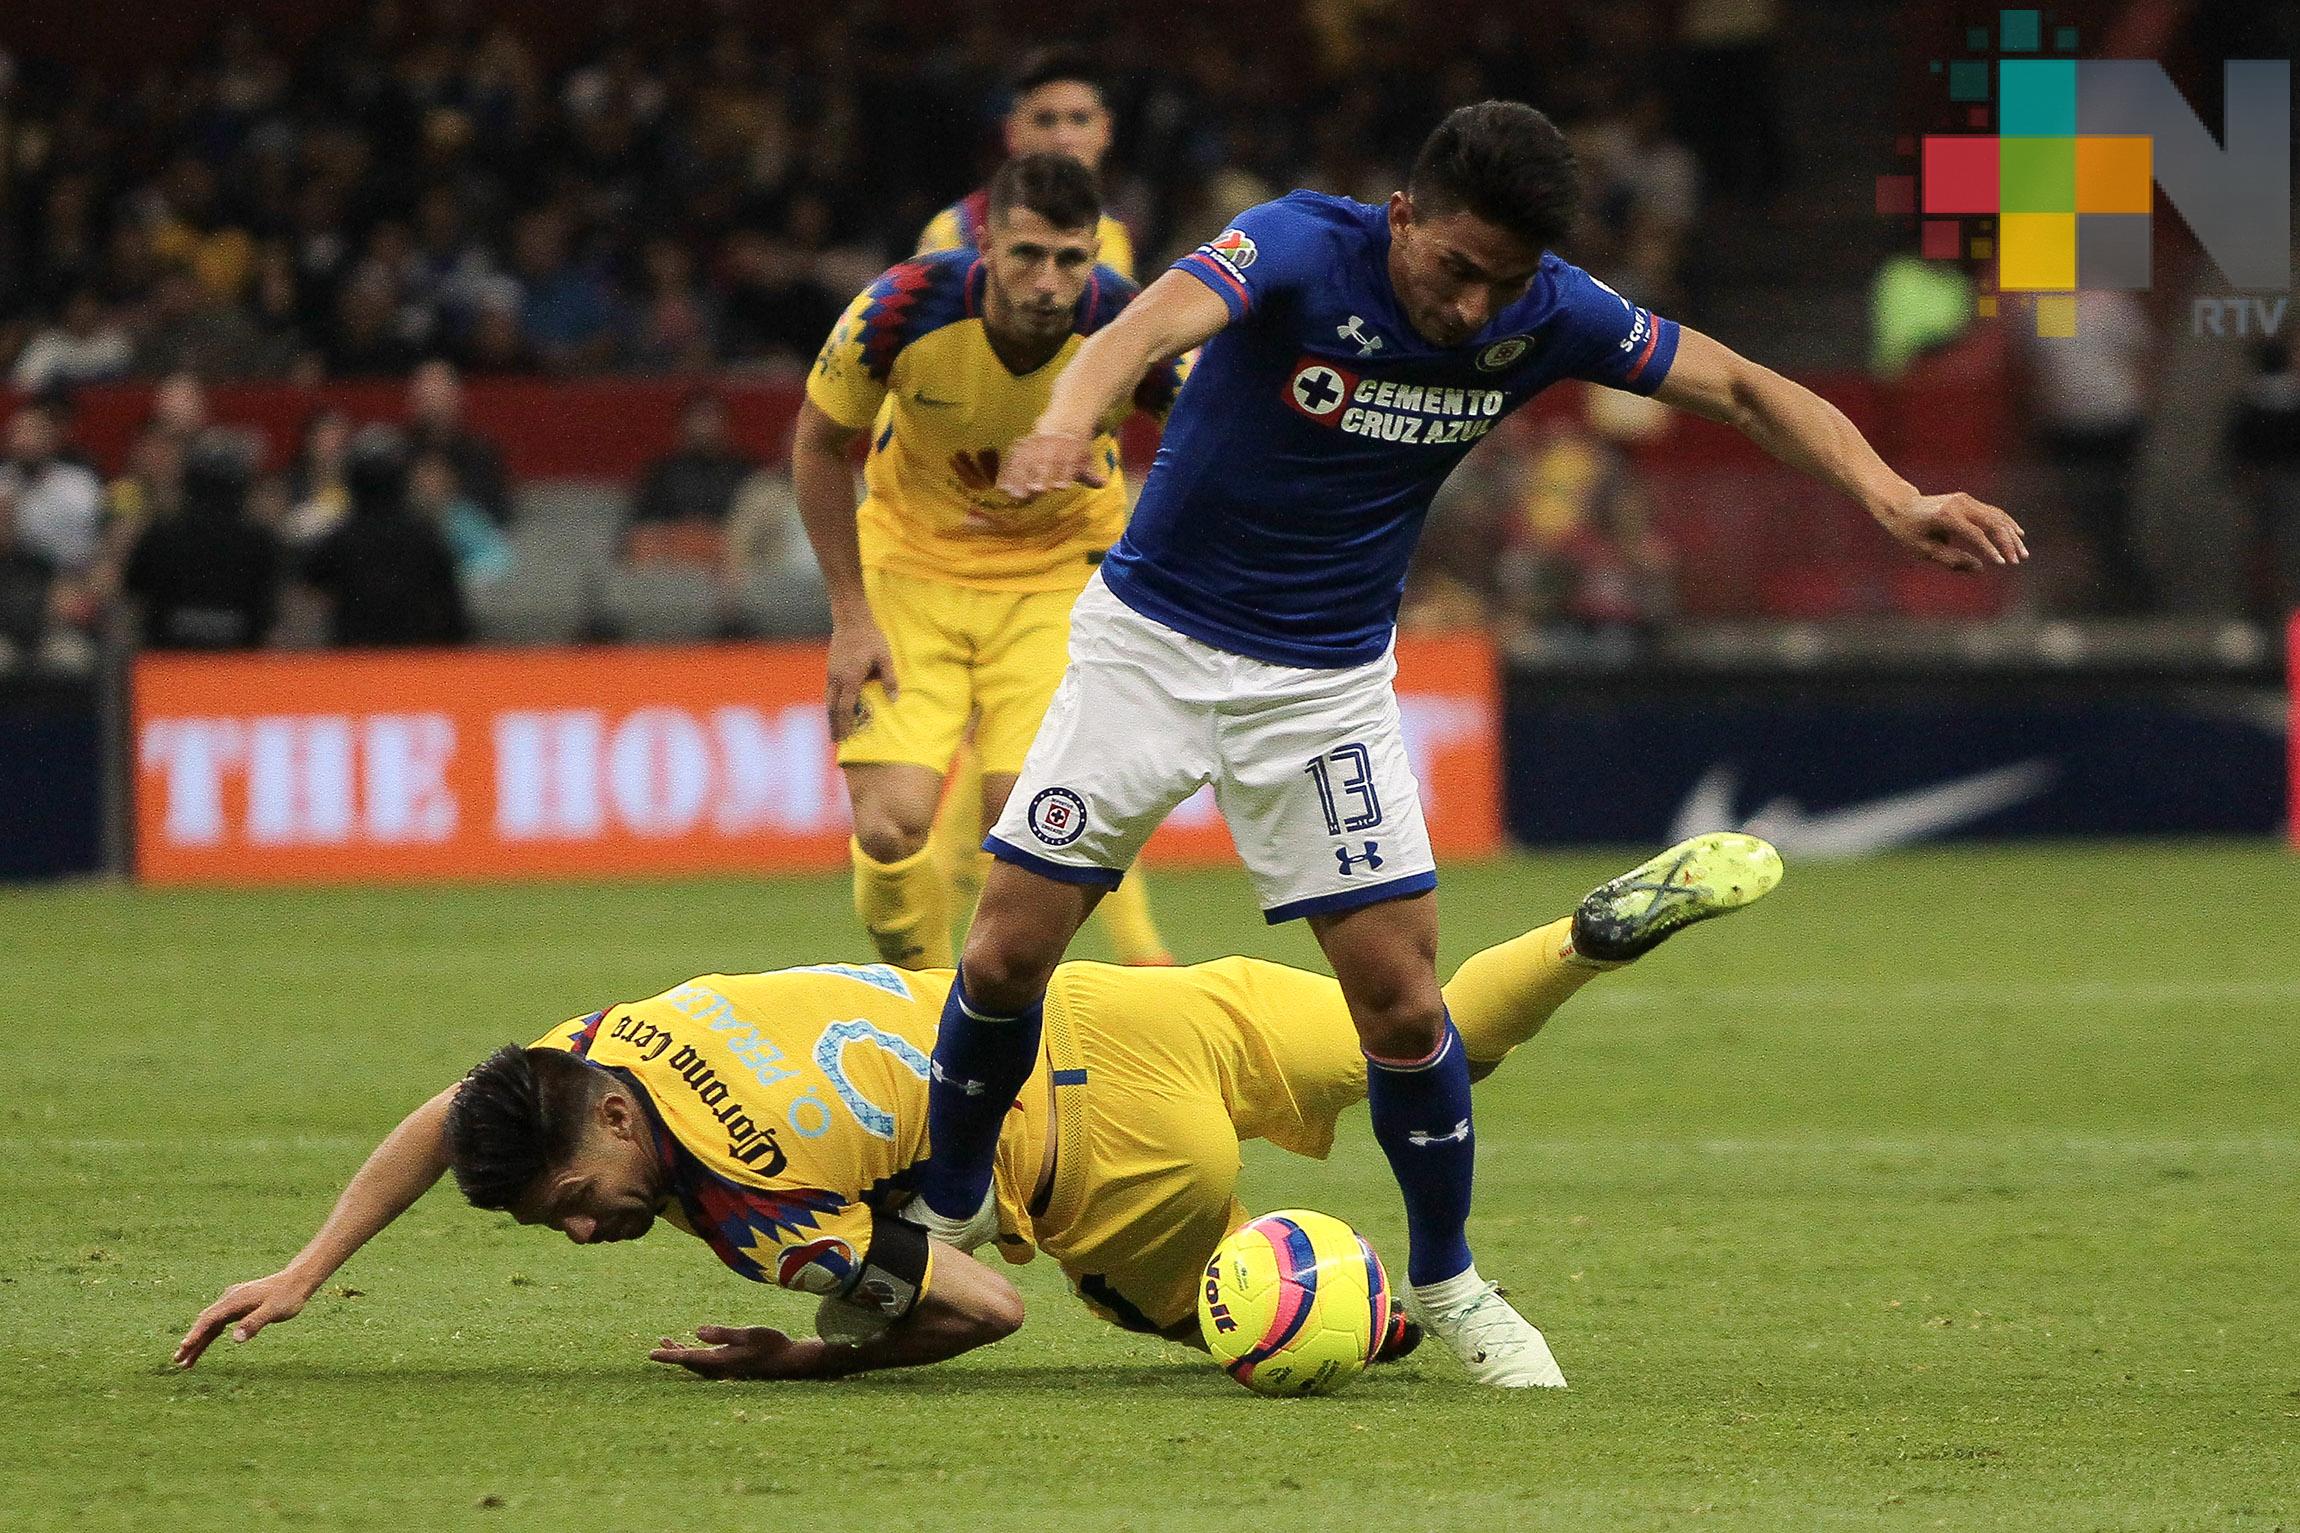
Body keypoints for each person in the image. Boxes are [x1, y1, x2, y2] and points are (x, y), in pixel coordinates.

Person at [926, 99, 2027, 1387]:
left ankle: (1448, 1282)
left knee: (1398, 1003)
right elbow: (1147, 322)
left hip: (1321, 685)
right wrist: (1069, 419)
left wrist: (1893, 500)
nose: (1469, 307)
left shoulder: (1550, 309)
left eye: (1499, 283)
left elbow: (1738, 385)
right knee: (1005, 952)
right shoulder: (1293, 245)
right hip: (1151, 646)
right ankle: (936, 1223)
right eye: (1452, 269)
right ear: (1402, 218)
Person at [173, 834, 1779, 1383]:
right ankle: (1583, 936)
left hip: (1106, 1163)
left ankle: (1368, 1321)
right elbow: (450, 1110)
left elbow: (984, 1307)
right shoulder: (621, 1030)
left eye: (573, 1203)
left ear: (601, 1127)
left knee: (1207, 1315)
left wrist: (805, 1359)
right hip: (1126, 1007)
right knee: (1423, 1040)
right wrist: (310, 1265)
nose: (588, 1234)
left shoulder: (753, 1212)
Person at [793, 154, 1184, 973]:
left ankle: (975, 1022)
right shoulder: (899, 309)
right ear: (988, 245)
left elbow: (1220, 445)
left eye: (1071, 259)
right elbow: (819, 444)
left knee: (1025, 825)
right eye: (1027, 256)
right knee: (891, 825)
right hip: (912, 570)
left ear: (1094, 253)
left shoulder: (1131, 325)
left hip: (1055, 582)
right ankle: (929, 996)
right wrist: (849, 615)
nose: (1049, 281)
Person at [911, 48, 1171, 967]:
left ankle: (934, 936)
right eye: (1045, 120)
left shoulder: (1121, 244)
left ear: (1106, 134)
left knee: (1059, 735)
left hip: (1079, 509)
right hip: (988, 525)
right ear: (1012, 137)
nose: (1065, 136)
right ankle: (1134, 955)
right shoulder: (953, 236)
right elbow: (940, 383)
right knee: (1059, 739)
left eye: (1081, 120)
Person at [295, 427, 471, 648]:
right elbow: (452, 610)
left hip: (358, 654)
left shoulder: (341, 539)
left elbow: (311, 584)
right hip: (410, 655)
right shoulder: (423, 536)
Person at [122, 431, 282, 650]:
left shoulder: (162, 533)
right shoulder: (259, 539)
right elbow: (269, 607)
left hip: (169, 664)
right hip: (236, 666)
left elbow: (134, 587)